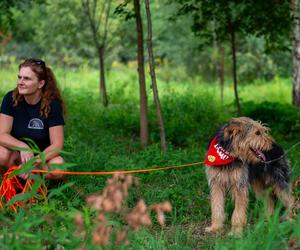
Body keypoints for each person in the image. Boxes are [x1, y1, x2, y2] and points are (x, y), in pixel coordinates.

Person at [0, 58, 65, 179]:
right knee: (0, 153)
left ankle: (39, 187)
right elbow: (2, 135)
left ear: (41, 83)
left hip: (42, 158)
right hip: (18, 157)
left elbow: (57, 145)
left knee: (58, 166)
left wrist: (34, 162)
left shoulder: (52, 104)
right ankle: (13, 183)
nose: (20, 82)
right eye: (19, 77)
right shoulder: (10, 98)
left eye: (27, 78)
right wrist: (23, 147)